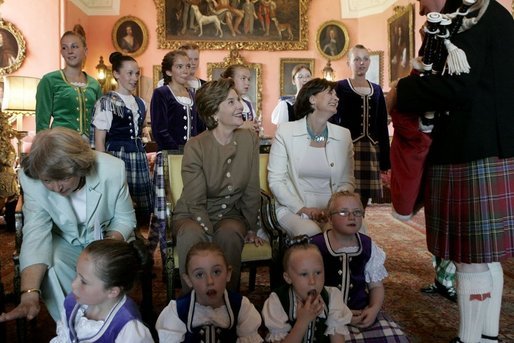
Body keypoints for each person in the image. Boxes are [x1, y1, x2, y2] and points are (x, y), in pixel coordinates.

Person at [386, 0, 514, 342]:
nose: (419, 5)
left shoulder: (474, 15)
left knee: (471, 259)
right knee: (486, 260)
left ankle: (471, 341)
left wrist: (401, 92)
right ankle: (486, 337)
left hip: (468, 150)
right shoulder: (481, 12)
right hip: (482, 148)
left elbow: (459, 86)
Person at [0, 127, 136, 322]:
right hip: (65, 240)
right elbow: (36, 233)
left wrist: (106, 246)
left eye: (63, 178)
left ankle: (106, 322)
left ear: (80, 166)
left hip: (107, 239)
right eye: (48, 180)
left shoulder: (112, 169)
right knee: (52, 263)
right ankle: (71, 325)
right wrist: (29, 294)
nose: (56, 188)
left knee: (99, 268)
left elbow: (125, 219)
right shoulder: (32, 179)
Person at [172, 78, 263, 293]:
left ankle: (227, 302)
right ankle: (192, 303)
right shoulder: (195, 146)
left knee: (230, 235)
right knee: (193, 236)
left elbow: (251, 188)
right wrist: (208, 231)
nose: (240, 106)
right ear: (214, 113)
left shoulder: (249, 139)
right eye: (231, 102)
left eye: (238, 100)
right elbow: (195, 201)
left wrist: (251, 227)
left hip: (229, 214)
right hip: (192, 214)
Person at [311, 191, 409, 342]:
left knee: (395, 338)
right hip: (324, 312)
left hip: (360, 312)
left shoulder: (368, 246)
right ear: (330, 217)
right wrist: (338, 314)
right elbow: (306, 289)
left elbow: (376, 287)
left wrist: (374, 309)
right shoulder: (315, 247)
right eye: (343, 212)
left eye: (357, 212)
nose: (352, 217)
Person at [267, 78, 354, 237]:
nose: (336, 98)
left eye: (336, 94)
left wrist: (334, 209)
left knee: (347, 231)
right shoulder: (285, 132)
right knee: (311, 233)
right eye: (330, 93)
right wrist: (302, 209)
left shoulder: (344, 135)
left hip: (331, 209)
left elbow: (346, 181)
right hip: (292, 208)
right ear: (312, 99)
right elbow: (276, 180)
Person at [148, 50, 205, 265]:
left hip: (192, 159)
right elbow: (159, 129)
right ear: (169, 70)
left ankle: (190, 254)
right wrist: (178, 151)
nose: (185, 70)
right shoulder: (162, 93)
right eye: (180, 66)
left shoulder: (193, 94)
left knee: (191, 204)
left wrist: (197, 151)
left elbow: (199, 128)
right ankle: (167, 257)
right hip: (170, 158)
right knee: (167, 208)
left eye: (188, 66)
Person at [92, 52, 153, 229]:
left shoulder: (141, 102)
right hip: (117, 157)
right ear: (117, 74)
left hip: (138, 157)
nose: (134, 78)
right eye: (129, 73)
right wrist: (102, 169)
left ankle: (138, 243)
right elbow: (100, 140)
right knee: (118, 204)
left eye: (137, 73)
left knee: (141, 210)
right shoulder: (106, 102)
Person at [156, 242, 263, 342]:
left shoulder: (241, 307)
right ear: (188, 280)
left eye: (216, 272)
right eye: (199, 275)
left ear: (228, 274)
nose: (210, 281)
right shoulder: (177, 311)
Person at [50, 240, 153, 343]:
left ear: (112, 291)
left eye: (84, 282)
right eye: (77, 274)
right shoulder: (72, 303)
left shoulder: (127, 329)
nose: (73, 284)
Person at [330, 45, 390, 209]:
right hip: (347, 148)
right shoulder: (339, 87)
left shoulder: (376, 90)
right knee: (345, 191)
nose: (361, 63)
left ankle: (358, 226)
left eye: (365, 59)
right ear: (349, 62)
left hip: (370, 150)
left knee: (363, 198)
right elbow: (332, 120)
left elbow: (382, 126)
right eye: (356, 59)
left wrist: (385, 161)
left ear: (369, 62)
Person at [261, 238, 352, 342]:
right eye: (304, 274)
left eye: (318, 272)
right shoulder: (278, 301)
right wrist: (302, 322)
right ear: (288, 278)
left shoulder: (332, 296)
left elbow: (337, 340)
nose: (312, 281)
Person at [36, 26, 102, 138]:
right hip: (60, 144)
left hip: (89, 146)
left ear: (85, 50)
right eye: (64, 48)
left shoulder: (94, 84)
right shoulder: (49, 80)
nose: (70, 51)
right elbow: (42, 122)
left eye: (74, 47)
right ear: (61, 52)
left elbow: (100, 120)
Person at [220, 64, 258, 128]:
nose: (247, 83)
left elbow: (253, 124)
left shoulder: (247, 102)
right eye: (243, 78)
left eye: (248, 79)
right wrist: (242, 126)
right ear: (230, 80)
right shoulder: (221, 100)